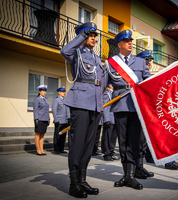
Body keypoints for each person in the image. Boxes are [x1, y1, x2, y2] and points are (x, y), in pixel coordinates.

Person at [61, 22, 104, 198]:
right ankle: (74, 184)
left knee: (88, 145)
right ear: (83, 36)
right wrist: (82, 36)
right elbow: (65, 51)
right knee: (77, 144)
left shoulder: (96, 58)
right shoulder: (76, 53)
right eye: (90, 35)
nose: (93, 38)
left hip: (95, 104)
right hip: (80, 103)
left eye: (94, 36)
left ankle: (82, 180)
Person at [104, 30, 151, 190]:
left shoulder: (140, 62)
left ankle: (132, 174)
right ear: (119, 44)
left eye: (131, 40)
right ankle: (127, 176)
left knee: (135, 141)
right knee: (123, 142)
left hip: (137, 106)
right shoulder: (110, 63)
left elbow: (148, 82)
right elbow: (103, 85)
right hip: (120, 106)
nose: (130, 43)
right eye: (126, 41)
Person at [135, 50, 157, 174]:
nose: (149, 63)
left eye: (149, 61)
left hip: (146, 111)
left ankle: (140, 166)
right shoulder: (137, 73)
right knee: (139, 140)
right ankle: (137, 168)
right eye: (147, 60)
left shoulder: (147, 74)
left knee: (143, 141)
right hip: (138, 110)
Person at [101, 84, 119, 161]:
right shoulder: (107, 94)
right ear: (110, 85)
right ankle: (107, 154)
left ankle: (111, 153)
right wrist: (106, 119)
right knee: (107, 138)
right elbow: (105, 107)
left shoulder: (116, 92)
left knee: (113, 138)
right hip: (109, 119)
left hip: (115, 119)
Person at [52, 86, 70, 154]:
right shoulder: (56, 100)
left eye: (64, 91)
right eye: (62, 92)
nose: (64, 93)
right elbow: (54, 110)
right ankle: (56, 149)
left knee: (63, 136)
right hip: (59, 121)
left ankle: (61, 148)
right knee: (57, 135)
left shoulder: (65, 100)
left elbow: (67, 110)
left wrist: (68, 118)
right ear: (59, 93)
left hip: (65, 121)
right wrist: (56, 120)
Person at [33, 85, 50, 156]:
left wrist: (48, 118)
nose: (44, 92)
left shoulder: (46, 99)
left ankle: (42, 149)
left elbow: (47, 110)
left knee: (42, 135)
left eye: (45, 91)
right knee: (38, 134)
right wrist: (36, 119)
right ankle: (38, 150)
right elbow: (35, 110)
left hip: (45, 119)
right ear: (39, 91)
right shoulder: (37, 99)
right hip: (39, 119)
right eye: (42, 90)